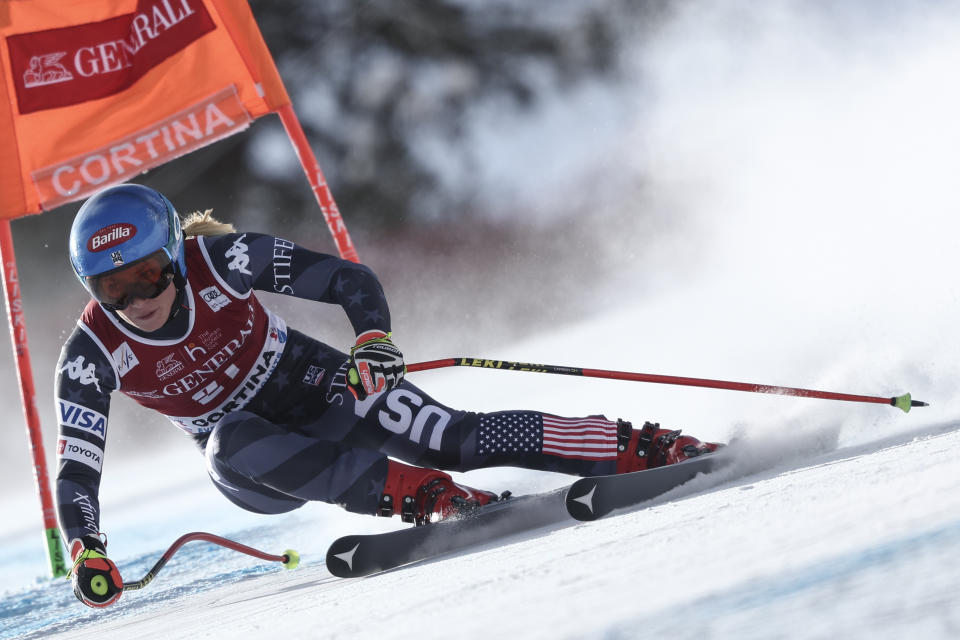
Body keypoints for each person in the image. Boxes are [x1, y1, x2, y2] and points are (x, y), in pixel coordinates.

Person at [56, 183, 720, 607]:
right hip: (257, 464)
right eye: (113, 289)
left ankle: (638, 446)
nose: (136, 300)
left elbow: (346, 278)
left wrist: (371, 338)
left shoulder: (223, 262)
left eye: (146, 276)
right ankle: (427, 497)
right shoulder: (90, 356)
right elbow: (78, 467)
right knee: (230, 441)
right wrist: (87, 545)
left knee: (457, 436)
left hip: (316, 384)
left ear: (173, 254)